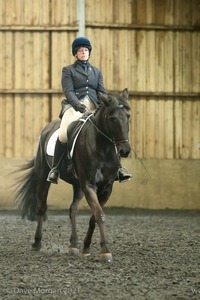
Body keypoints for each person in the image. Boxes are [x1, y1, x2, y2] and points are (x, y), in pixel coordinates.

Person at [47, 37, 132, 184]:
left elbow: (102, 91)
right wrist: (77, 105)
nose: (83, 52)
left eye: (86, 50)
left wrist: (108, 104)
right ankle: (55, 169)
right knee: (63, 134)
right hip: (74, 107)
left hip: (94, 107)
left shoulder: (96, 71)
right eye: (80, 50)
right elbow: (68, 91)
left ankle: (118, 168)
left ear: (89, 52)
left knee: (110, 131)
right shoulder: (68, 70)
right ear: (76, 54)